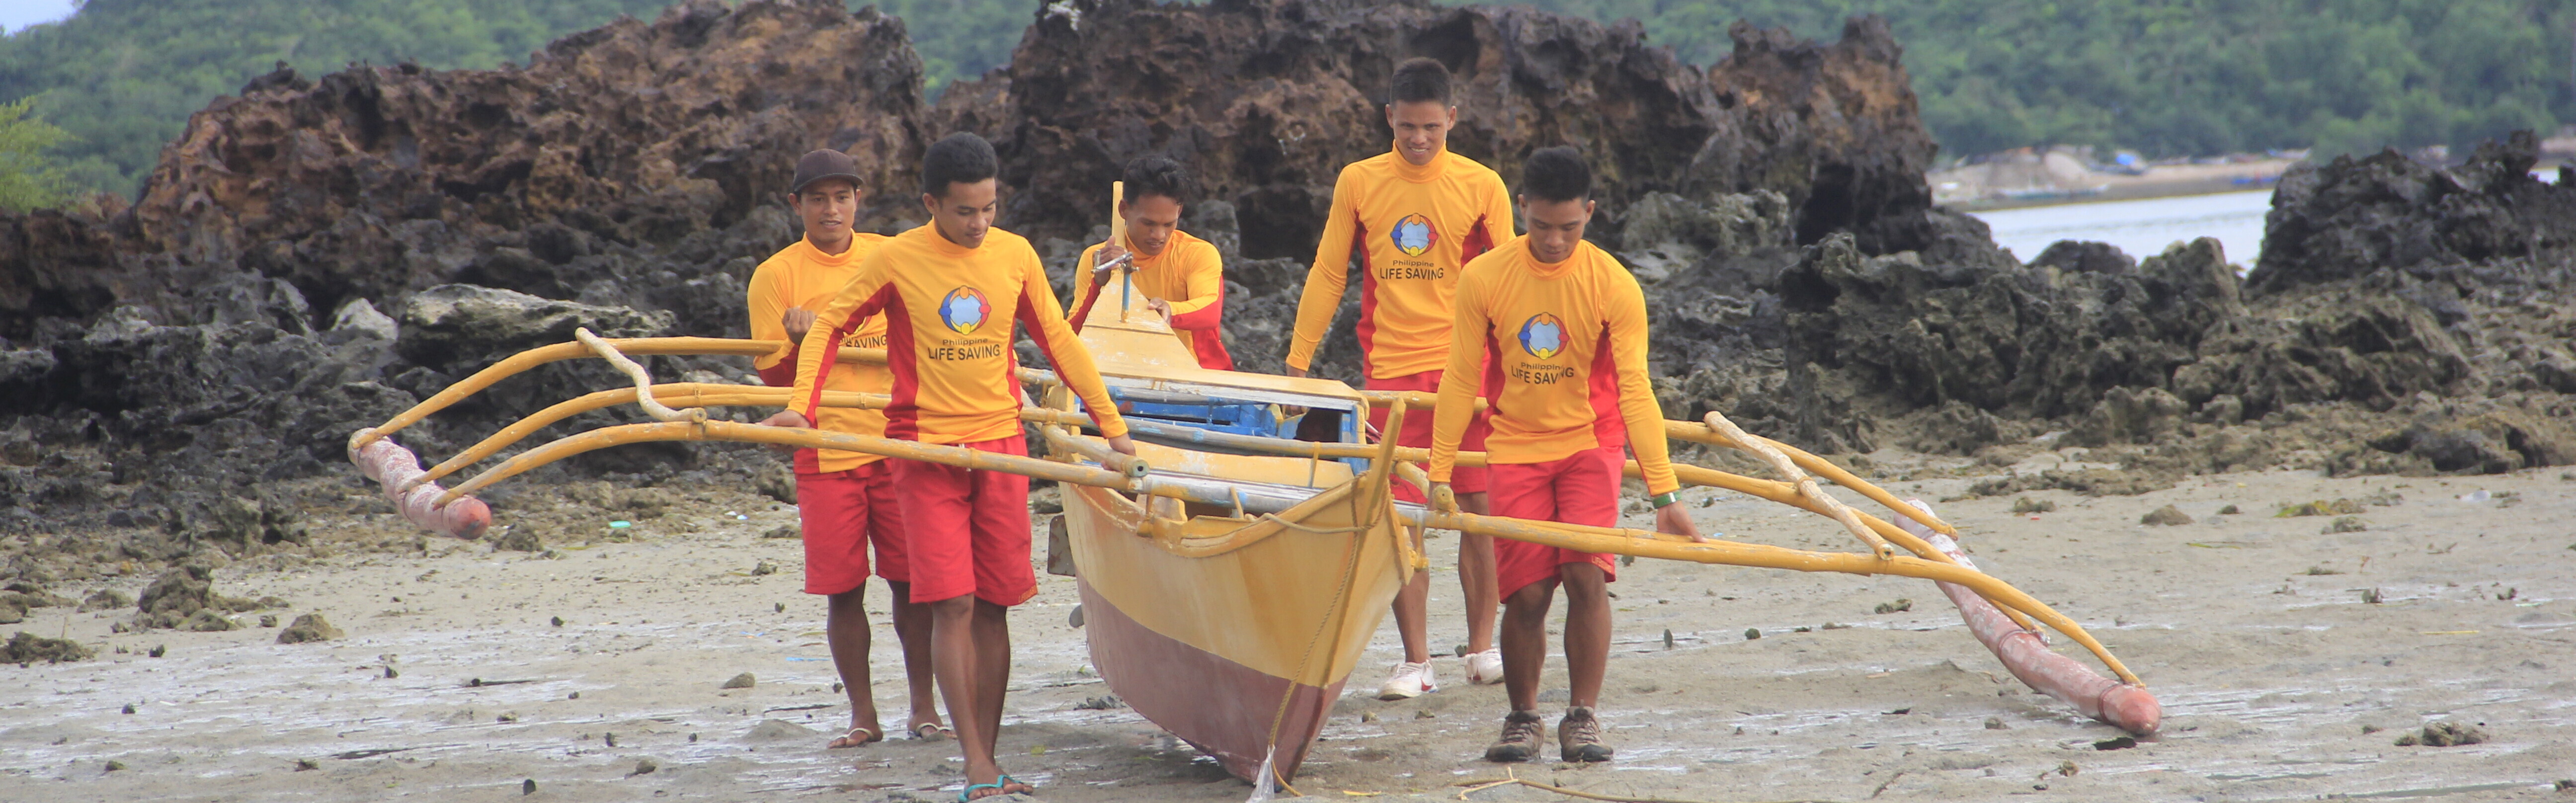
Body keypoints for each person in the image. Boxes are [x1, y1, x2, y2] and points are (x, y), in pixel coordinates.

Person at [763, 133, 1136, 801]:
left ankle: (990, 756)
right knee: (953, 603)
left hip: (999, 448)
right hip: (926, 453)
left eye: (989, 209)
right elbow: (829, 326)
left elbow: (1057, 341)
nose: (978, 224)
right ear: (931, 202)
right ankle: (974, 765)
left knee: (995, 606)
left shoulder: (1014, 254)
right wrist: (801, 407)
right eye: (965, 211)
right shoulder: (900, 259)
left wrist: (1112, 427)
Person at [1426, 146, 1702, 763]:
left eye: (1570, 228)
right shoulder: (1485, 277)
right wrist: (1439, 472)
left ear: (1591, 214)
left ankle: (1582, 717)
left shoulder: (1613, 284)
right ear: (1522, 207)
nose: (1554, 240)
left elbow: (1636, 389)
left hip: (1589, 444)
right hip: (1515, 447)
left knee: (1584, 574)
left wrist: (1665, 495)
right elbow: (1459, 377)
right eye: (1542, 225)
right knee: (1526, 594)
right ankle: (1523, 717)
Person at [1283, 56, 1516, 698]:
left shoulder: (1482, 185)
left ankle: (1482, 648)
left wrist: (1517, 381)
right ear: (1389, 116)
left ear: (1453, 120)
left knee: (1477, 510)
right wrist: (1298, 362)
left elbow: (1510, 285)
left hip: (1467, 378)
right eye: (1408, 126)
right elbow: (1331, 273)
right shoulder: (1359, 182)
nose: (1419, 139)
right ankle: (1416, 661)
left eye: (1432, 129)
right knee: (1401, 518)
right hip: (1390, 376)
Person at [745, 149, 945, 749]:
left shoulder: (892, 255)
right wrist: (794, 343)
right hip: (825, 450)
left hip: (898, 442)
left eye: (841, 197)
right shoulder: (776, 276)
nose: (831, 209)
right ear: (797, 205)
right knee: (843, 588)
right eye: (817, 199)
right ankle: (863, 714)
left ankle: (923, 706)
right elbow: (773, 383)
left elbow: (927, 340)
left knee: (913, 583)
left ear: (859, 199)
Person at [1067, 156, 1234, 369]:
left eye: (1169, 224)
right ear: (1124, 210)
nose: (1159, 235)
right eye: (1149, 224)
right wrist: (1098, 286)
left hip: (1194, 376)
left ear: (1179, 212)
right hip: (1122, 372)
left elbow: (1210, 313)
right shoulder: (1098, 259)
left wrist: (1169, 310)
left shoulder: (1198, 254)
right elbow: (1073, 335)